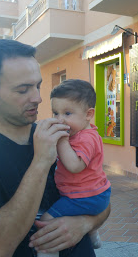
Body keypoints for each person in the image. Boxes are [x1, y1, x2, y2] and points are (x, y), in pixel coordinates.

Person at [0, 39, 110, 256]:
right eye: (23, 89)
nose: (38, 98)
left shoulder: (61, 135)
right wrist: (40, 162)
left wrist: (85, 224)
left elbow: (101, 199)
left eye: (38, 86)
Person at [38, 79, 111, 257]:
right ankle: (92, 235)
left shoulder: (86, 138)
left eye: (67, 113)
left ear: (88, 114)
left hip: (84, 198)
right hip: (92, 195)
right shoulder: (79, 134)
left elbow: (74, 166)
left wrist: (62, 140)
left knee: (46, 224)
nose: (59, 119)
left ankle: (47, 252)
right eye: (55, 113)